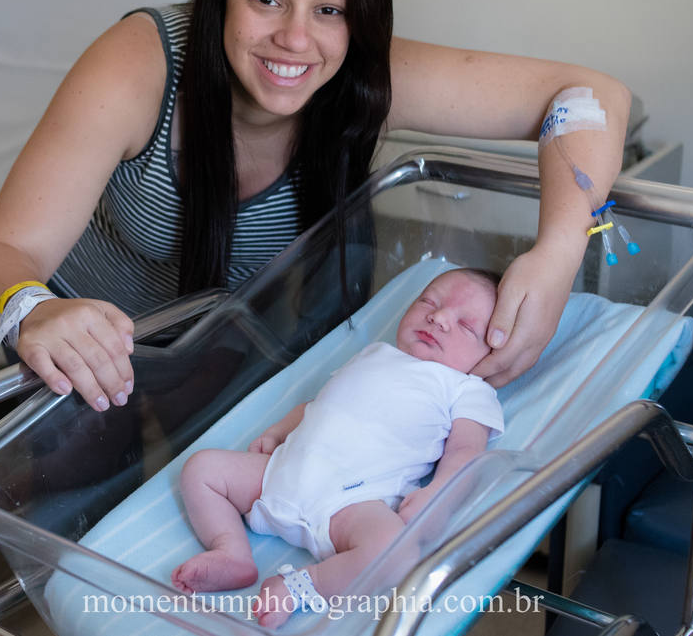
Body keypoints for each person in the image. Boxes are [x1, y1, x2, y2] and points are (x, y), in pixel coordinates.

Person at [0, 0, 630, 414]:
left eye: (330, 9)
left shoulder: (364, 76)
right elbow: (1, 251)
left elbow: (590, 95)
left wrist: (557, 255)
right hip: (84, 358)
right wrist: (34, 311)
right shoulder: (136, 66)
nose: (295, 38)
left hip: (224, 349)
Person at [171, 268, 506, 628]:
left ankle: (301, 587)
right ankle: (231, 551)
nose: (438, 317)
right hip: (282, 470)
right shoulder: (373, 353)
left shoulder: (467, 388)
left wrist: (439, 493)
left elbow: (465, 452)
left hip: (353, 500)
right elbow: (319, 405)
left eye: (465, 325)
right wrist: (279, 431)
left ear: (490, 356)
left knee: (397, 554)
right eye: (428, 301)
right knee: (200, 469)